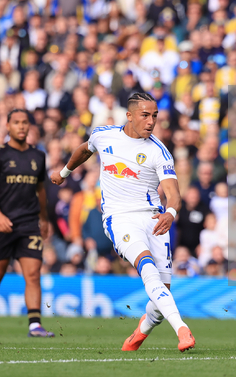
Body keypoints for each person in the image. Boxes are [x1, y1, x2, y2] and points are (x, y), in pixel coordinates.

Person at [50, 92, 195, 352]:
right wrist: (64, 173)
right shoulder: (104, 135)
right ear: (129, 116)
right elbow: (84, 150)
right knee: (147, 267)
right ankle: (183, 330)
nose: (151, 122)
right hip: (119, 219)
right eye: (145, 115)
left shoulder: (159, 151)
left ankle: (139, 334)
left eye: (155, 116)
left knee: (162, 295)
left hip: (154, 219)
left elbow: (173, 193)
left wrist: (170, 213)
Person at [0, 109, 52, 337]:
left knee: (33, 274)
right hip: (2, 224)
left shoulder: (39, 156)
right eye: (16, 123)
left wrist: (44, 218)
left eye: (25, 123)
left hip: (29, 224)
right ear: (7, 126)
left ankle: (35, 325)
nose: (21, 127)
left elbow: (41, 190)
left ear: (29, 127)